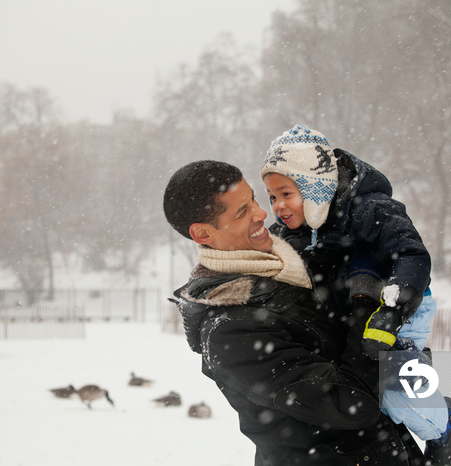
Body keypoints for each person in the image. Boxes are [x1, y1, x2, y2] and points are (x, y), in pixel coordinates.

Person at [164, 160, 424, 466]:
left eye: (255, 200)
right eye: (241, 212)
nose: (261, 213)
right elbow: (351, 402)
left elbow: (350, 198)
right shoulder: (230, 330)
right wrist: (365, 299)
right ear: (203, 234)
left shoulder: (289, 255)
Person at [261, 124, 451, 464]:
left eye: (286, 193)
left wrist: (393, 310)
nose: (278, 206)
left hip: (400, 305)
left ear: (314, 186)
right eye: (271, 197)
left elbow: (411, 255)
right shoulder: (295, 231)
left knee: (392, 393)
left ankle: (444, 422)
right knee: (364, 384)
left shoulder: (369, 208)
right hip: (358, 312)